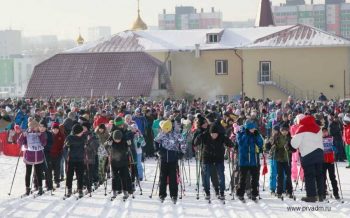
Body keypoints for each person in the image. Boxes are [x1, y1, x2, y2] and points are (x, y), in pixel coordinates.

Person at [194, 123, 233, 200]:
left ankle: (222, 191)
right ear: (210, 133)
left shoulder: (221, 136)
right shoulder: (205, 135)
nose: (214, 136)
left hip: (218, 157)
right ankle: (207, 191)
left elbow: (229, 143)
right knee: (206, 175)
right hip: (207, 157)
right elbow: (196, 141)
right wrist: (197, 141)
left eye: (215, 134)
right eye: (212, 134)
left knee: (221, 175)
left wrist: (230, 145)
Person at [291, 115, 325, 202]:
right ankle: (321, 194)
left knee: (309, 176)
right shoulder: (317, 127)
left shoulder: (302, 128)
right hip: (319, 154)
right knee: (319, 175)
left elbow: (294, 144)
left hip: (308, 155)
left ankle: (311, 196)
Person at [154, 119, 185, 203]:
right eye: (164, 130)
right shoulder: (162, 133)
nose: (166, 132)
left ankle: (174, 195)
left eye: (167, 130)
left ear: (170, 128)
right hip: (163, 158)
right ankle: (162, 194)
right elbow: (156, 140)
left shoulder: (176, 134)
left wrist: (182, 152)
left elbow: (183, 142)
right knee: (162, 177)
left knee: (173, 178)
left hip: (173, 159)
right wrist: (158, 150)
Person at [236, 120, 263, 201]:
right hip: (243, 160)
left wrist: (257, 135)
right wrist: (247, 135)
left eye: (254, 129)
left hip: (253, 160)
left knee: (254, 178)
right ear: (247, 128)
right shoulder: (240, 133)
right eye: (251, 129)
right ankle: (240, 193)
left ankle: (254, 193)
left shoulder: (254, 134)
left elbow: (260, 144)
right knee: (242, 178)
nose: (253, 130)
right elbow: (240, 143)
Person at [18, 120, 47, 196]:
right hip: (29, 156)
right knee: (28, 173)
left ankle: (40, 188)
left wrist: (41, 135)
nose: (33, 128)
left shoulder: (40, 133)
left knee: (38, 173)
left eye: (35, 127)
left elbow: (44, 143)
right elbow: (19, 142)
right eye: (31, 127)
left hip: (38, 157)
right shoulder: (26, 133)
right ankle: (27, 189)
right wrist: (22, 136)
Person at [268, 125, 295, 199]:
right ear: (281, 130)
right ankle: (279, 192)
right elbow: (269, 145)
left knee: (288, 175)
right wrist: (273, 147)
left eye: (286, 130)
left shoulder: (290, 138)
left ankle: (289, 191)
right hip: (279, 159)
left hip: (287, 160)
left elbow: (294, 149)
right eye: (283, 131)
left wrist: (289, 148)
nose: (285, 132)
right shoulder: (276, 137)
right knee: (280, 176)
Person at [106, 130, 132, 200]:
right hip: (114, 162)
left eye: (118, 140)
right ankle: (114, 190)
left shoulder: (124, 140)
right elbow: (106, 147)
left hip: (123, 162)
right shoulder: (111, 139)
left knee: (124, 177)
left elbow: (128, 149)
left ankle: (125, 191)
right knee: (114, 177)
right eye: (116, 140)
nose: (117, 141)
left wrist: (129, 145)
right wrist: (108, 145)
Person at [64, 124, 86, 198]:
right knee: (69, 175)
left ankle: (80, 189)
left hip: (80, 159)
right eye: (81, 132)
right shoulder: (69, 138)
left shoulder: (83, 137)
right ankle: (69, 189)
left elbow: (87, 145)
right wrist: (66, 154)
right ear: (76, 132)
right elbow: (64, 148)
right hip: (71, 159)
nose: (82, 132)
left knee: (80, 175)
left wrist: (87, 146)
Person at [322, 127, 340, 199]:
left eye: (326, 131)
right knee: (322, 178)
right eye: (323, 132)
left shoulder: (331, 138)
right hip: (322, 161)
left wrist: (334, 149)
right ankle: (323, 192)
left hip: (330, 161)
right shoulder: (319, 139)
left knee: (332, 177)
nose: (324, 133)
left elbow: (337, 148)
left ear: (328, 132)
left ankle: (336, 193)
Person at [50, 122, 65, 188]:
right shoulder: (50, 135)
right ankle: (49, 181)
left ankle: (57, 181)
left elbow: (63, 145)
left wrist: (61, 152)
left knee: (57, 168)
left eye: (56, 129)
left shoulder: (61, 135)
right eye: (54, 129)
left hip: (58, 154)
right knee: (49, 168)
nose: (55, 130)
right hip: (50, 154)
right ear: (52, 129)